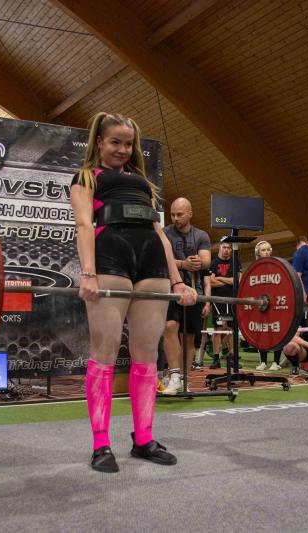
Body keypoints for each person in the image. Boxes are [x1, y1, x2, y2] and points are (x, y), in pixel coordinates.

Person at [71, 112, 197, 473]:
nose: (122, 150)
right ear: (99, 142)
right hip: (110, 257)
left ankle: (144, 439)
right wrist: (88, 273)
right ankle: (101, 444)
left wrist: (178, 281)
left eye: (128, 144)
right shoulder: (86, 177)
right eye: (115, 142)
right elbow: (84, 224)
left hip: (151, 262)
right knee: (105, 353)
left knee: (146, 356)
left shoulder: (142, 183)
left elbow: (160, 235)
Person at [162, 197, 211, 394]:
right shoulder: (165, 232)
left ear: (190, 214)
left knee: (189, 337)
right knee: (169, 326)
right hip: (170, 290)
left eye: (180, 214)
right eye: (172, 214)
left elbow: (206, 260)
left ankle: (183, 379)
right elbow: (161, 258)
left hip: (193, 291)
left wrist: (198, 262)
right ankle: (174, 376)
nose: (175, 218)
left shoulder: (201, 235)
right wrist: (183, 264)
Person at [253, 240, 284, 371]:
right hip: (261, 305)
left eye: (268, 250)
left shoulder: (276, 266)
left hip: (275, 304)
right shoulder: (255, 269)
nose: (266, 252)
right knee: (261, 332)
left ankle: (276, 362)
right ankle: (263, 362)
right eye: (263, 250)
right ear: (258, 253)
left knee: (276, 332)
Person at [207, 241, 234, 369]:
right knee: (218, 329)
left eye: (229, 247)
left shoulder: (235, 262)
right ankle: (216, 358)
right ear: (220, 248)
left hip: (232, 300)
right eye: (224, 247)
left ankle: (232, 357)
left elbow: (237, 280)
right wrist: (228, 281)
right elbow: (211, 282)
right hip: (218, 301)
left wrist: (220, 278)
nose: (226, 249)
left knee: (231, 329)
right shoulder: (214, 263)